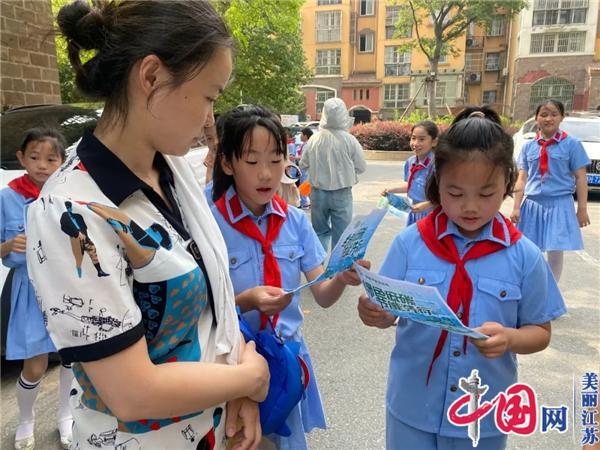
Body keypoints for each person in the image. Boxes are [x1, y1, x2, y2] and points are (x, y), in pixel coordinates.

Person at [25, 1, 269, 449]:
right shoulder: (70, 210)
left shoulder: (170, 170)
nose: (209, 119)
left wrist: (238, 393)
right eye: (210, 96)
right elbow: (132, 392)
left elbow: (212, 306)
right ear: (152, 76)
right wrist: (248, 378)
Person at [357, 107, 566, 450]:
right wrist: (375, 314)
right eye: (455, 194)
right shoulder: (411, 243)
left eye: (486, 194)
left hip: (481, 415)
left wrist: (511, 339)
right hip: (412, 408)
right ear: (438, 182)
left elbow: (540, 332)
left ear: (508, 182)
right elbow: (388, 310)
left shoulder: (524, 254)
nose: (470, 207)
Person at [210, 105, 370, 450]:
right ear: (227, 164)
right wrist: (246, 300)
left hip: (285, 362)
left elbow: (322, 295)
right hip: (233, 367)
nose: (267, 174)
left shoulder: (295, 222)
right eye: (252, 162)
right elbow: (202, 309)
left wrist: (341, 277)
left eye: (276, 159)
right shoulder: (211, 226)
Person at [0, 128, 74, 450]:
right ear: (21, 158)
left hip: (67, 287)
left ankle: (66, 417)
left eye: (50, 159)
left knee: (72, 357)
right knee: (35, 365)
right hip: (29, 292)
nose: (42, 165)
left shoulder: (68, 194)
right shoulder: (8, 197)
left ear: (62, 162)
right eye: (34, 157)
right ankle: (27, 420)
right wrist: (6, 245)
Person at [510, 99, 590, 283]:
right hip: (532, 204)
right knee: (531, 250)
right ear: (536, 118)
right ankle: (533, 291)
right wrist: (516, 207)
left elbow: (581, 178)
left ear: (562, 117)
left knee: (555, 249)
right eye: (543, 115)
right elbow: (522, 178)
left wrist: (582, 209)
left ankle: (551, 294)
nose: (548, 119)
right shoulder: (528, 146)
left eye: (554, 114)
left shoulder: (572, 144)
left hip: (559, 203)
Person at [299, 98, 366, 252]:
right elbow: (361, 167)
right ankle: (336, 271)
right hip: (342, 193)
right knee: (342, 235)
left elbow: (303, 164)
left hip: (317, 193)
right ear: (343, 114)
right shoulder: (350, 140)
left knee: (320, 232)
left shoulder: (314, 139)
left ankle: (318, 268)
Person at [381, 120, 438, 226]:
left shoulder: (436, 164)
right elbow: (411, 185)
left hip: (431, 214)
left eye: (422, 139)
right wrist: (391, 190)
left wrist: (426, 204)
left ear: (434, 142)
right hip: (415, 212)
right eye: (413, 138)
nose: (415, 143)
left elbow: (444, 195)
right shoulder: (411, 162)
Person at [295, 128, 313, 209]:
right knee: (306, 185)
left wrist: (294, 158)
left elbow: (304, 157)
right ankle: (309, 202)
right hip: (303, 168)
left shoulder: (308, 145)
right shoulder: (305, 144)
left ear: (306, 135)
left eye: (301, 134)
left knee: (304, 185)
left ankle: (304, 203)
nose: (300, 136)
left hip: (305, 168)